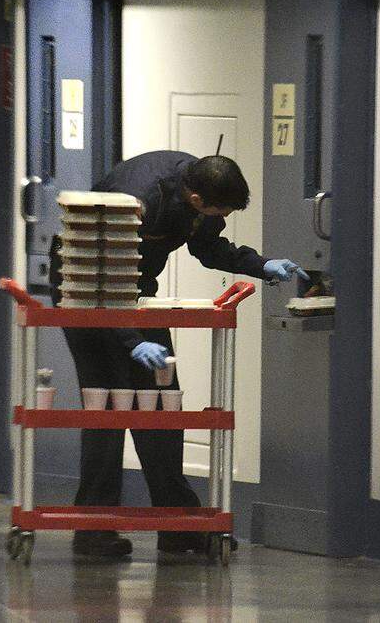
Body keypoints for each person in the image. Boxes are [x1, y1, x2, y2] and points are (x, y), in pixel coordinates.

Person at [49, 151, 307, 558]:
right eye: (219, 211)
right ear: (196, 198)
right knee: (108, 410)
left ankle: (178, 526)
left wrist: (261, 265)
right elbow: (103, 276)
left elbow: (208, 248)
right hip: (84, 288)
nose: (221, 217)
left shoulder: (202, 183)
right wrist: (132, 341)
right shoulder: (136, 200)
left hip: (136, 293)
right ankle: (94, 530)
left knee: (162, 407)